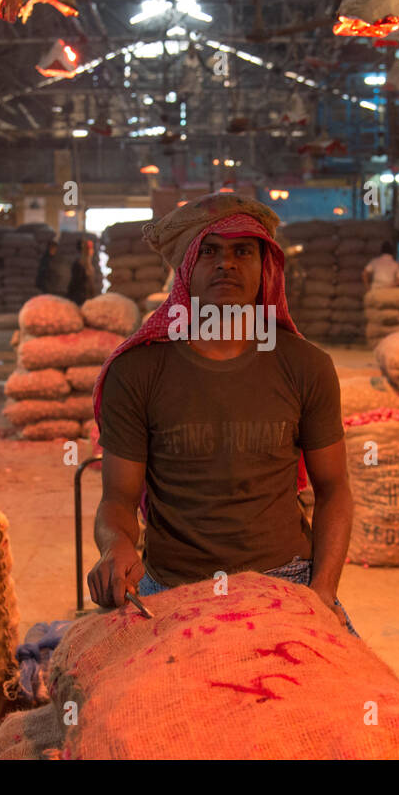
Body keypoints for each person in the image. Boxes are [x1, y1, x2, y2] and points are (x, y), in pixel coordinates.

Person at [86, 192, 357, 634]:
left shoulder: (306, 365)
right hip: (169, 587)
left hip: (285, 579)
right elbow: (117, 498)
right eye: (209, 251)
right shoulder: (137, 372)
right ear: (186, 270)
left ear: (263, 266)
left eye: (242, 251)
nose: (226, 263)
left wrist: (323, 589)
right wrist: (116, 546)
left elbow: (334, 489)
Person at [66, 238, 99, 305]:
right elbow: (76, 284)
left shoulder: (90, 264)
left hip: (88, 299)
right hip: (80, 299)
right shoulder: (79, 265)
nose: (93, 250)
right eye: (91, 248)